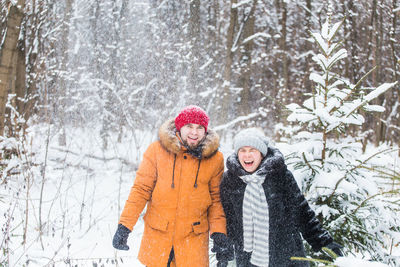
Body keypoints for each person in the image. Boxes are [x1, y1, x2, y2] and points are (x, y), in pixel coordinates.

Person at [112, 105, 231, 267]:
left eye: (199, 128)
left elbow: (216, 200)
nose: (194, 132)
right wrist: (125, 225)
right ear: (179, 127)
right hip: (159, 237)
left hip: (193, 241)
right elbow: (141, 190)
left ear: (205, 131)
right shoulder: (157, 151)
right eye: (189, 126)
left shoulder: (215, 159)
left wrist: (219, 234)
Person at [217, 128, 343, 267]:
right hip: (248, 258)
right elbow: (228, 219)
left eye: (252, 150)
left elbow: (301, 212)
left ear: (262, 154)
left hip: (286, 255)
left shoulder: (280, 175)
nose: (247, 155)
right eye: (243, 150)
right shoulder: (230, 180)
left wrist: (323, 243)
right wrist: (225, 248)